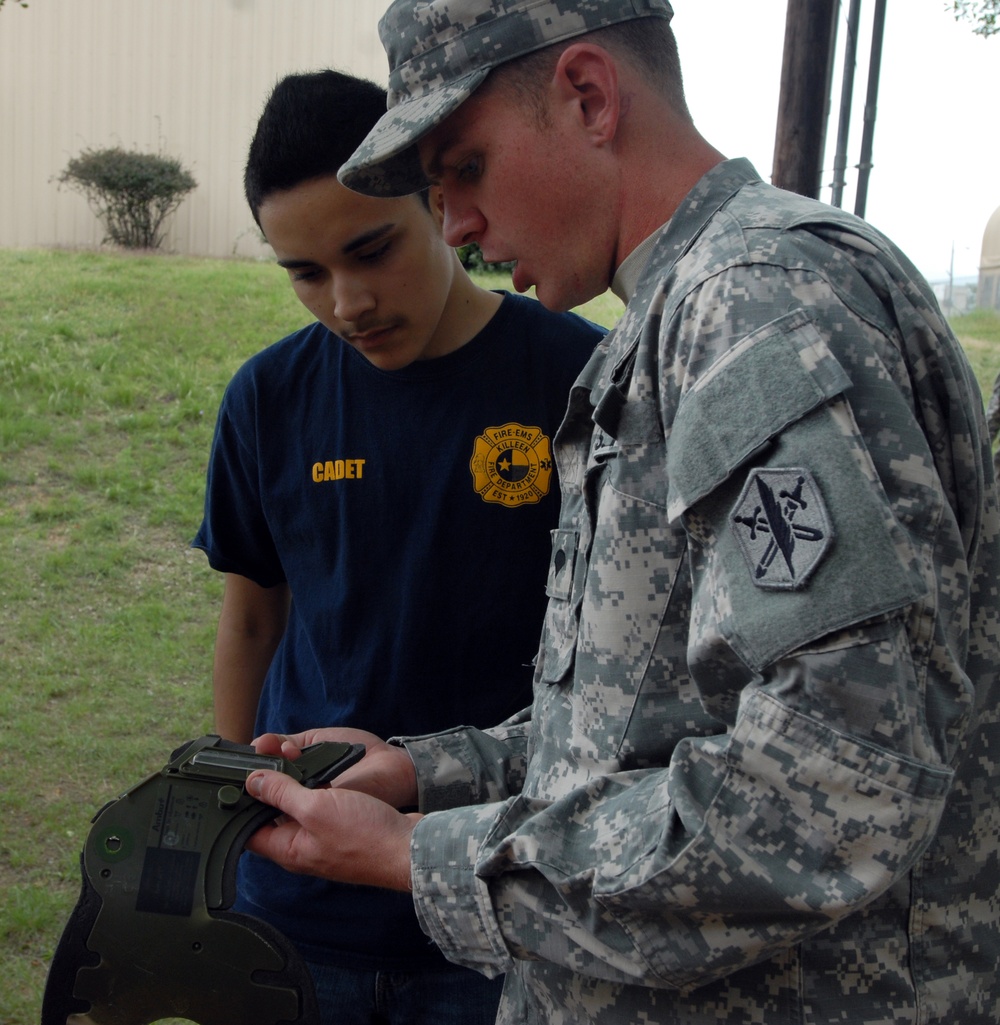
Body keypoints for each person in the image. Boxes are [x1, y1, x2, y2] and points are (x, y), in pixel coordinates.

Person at [243, 4, 1000, 1023]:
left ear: (589, 96)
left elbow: (830, 786)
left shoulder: (753, 306)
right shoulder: (681, 312)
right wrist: (429, 770)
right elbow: (646, 723)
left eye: (464, 167)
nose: (457, 226)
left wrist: (421, 854)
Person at [192, 68, 603, 1025]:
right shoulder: (267, 400)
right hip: (301, 901)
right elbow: (253, 617)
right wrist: (227, 802)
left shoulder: (578, 379)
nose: (347, 302)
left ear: (440, 203)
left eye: (371, 251)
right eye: (305, 272)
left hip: (495, 895)